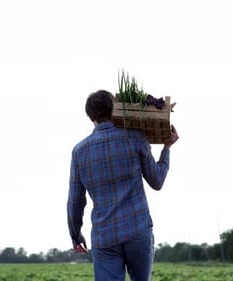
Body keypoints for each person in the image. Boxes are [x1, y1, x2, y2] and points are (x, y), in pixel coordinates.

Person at [67, 90, 179, 281]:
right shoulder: (136, 138)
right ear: (114, 109)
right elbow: (157, 181)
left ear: (90, 116)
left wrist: (75, 234)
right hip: (137, 230)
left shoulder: (79, 151)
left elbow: (75, 201)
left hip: (104, 237)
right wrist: (166, 148)